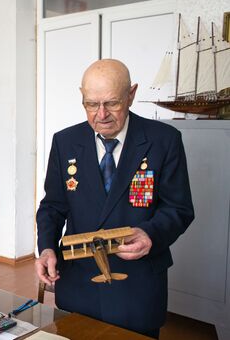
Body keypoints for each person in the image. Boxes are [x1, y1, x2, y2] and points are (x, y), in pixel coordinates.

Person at [35, 59, 194, 338]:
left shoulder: (164, 140)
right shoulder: (65, 142)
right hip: (78, 281)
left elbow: (178, 208)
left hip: (138, 284)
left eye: (112, 103)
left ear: (131, 95)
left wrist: (149, 233)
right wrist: (47, 247)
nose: (101, 114)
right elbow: (53, 206)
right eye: (91, 104)